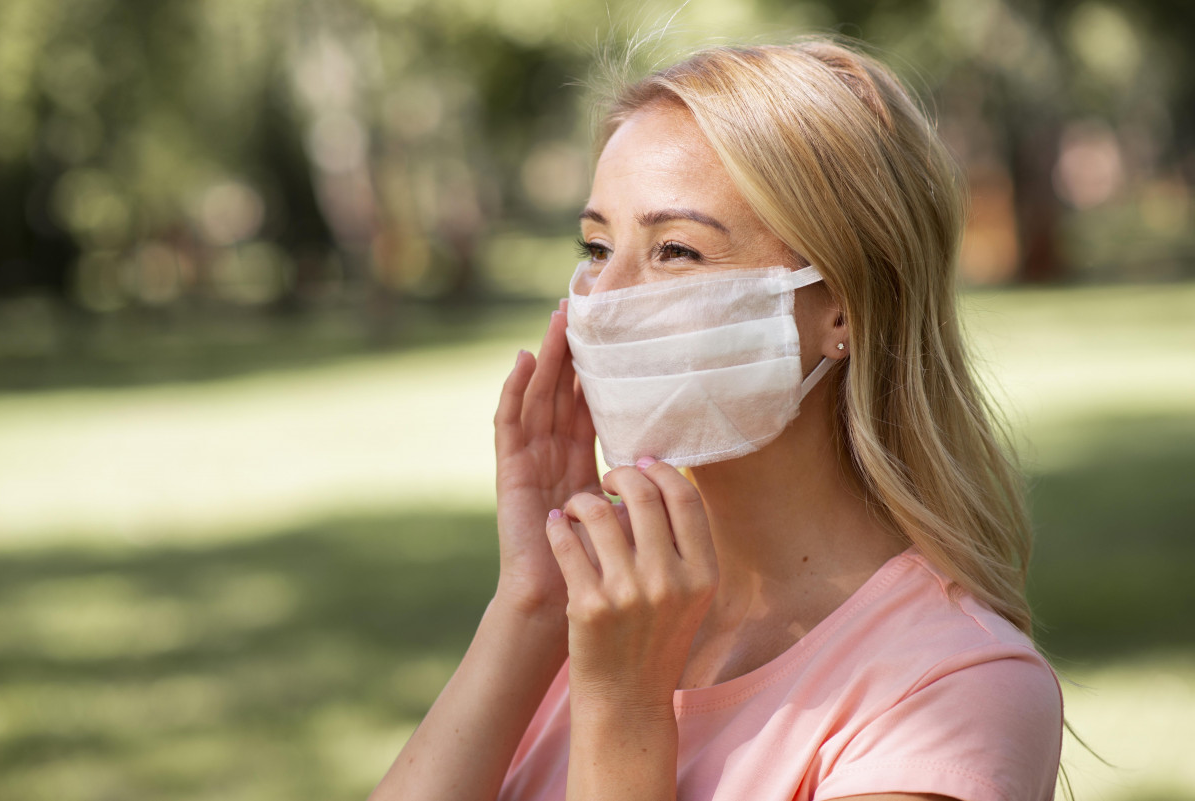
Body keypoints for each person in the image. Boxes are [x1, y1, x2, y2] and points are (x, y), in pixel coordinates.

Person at [371, 36, 1063, 801]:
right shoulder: (607, 612)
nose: (603, 295)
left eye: (675, 251)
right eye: (597, 245)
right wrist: (532, 605)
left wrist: (625, 709)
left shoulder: (951, 690)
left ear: (843, 307)